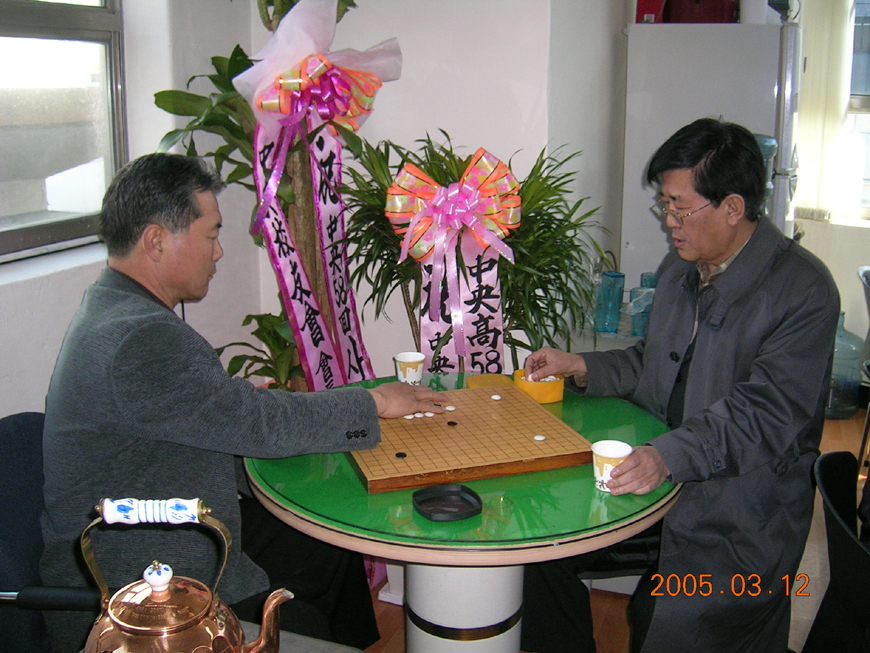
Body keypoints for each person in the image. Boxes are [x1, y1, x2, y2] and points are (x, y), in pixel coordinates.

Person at [40, 153, 449, 653]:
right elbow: (258, 424)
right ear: (156, 240)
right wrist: (376, 401)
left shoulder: (114, 307)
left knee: (325, 543)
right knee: (305, 624)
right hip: (144, 589)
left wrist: (241, 406)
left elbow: (212, 412)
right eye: (210, 235)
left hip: (170, 526)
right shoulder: (140, 339)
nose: (218, 252)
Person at [520, 118, 840, 653]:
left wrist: (667, 455)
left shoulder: (802, 290)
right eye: (664, 205)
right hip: (663, 485)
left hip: (740, 514)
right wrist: (579, 365)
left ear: (732, 207)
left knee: (667, 619)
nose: (669, 221)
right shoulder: (680, 269)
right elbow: (653, 360)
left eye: (679, 207)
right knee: (537, 552)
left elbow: (765, 413)